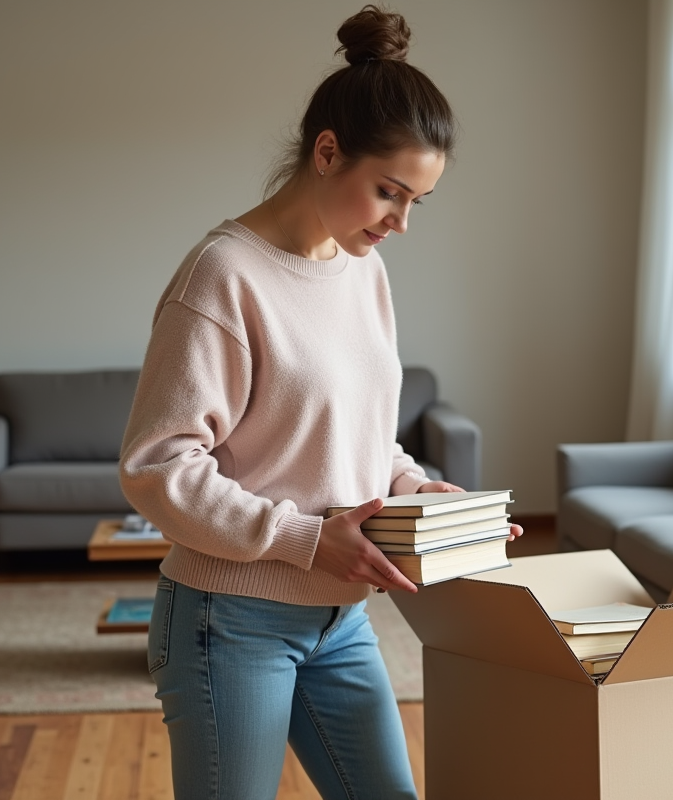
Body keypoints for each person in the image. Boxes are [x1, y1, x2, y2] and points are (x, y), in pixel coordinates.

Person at [119, 6, 522, 798]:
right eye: (389, 193)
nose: (401, 223)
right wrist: (305, 538)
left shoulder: (363, 271)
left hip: (340, 618)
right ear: (327, 152)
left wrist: (418, 495)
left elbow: (364, 435)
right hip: (226, 619)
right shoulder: (222, 276)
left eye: (417, 203)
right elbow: (157, 468)